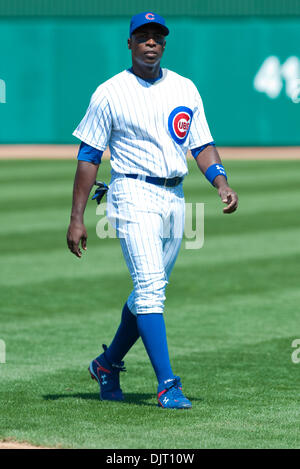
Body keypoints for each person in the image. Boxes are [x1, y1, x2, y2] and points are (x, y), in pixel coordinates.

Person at [66, 12, 238, 409]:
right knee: (150, 288)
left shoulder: (184, 88)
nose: (150, 42)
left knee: (150, 289)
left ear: (164, 44)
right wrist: (77, 217)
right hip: (131, 193)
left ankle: (107, 365)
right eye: (142, 36)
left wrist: (221, 182)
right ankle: (167, 384)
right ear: (129, 43)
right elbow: (89, 155)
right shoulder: (109, 92)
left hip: (175, 198)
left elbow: (202, 144)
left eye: (157, 36)